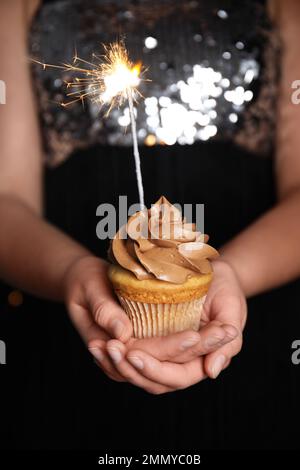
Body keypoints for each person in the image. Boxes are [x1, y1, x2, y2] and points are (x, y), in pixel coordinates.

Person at [0, 0, 300, 450]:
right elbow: (6, 200)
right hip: (61, 356)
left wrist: (231, 273)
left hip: (256, 348)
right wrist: (72, 274)